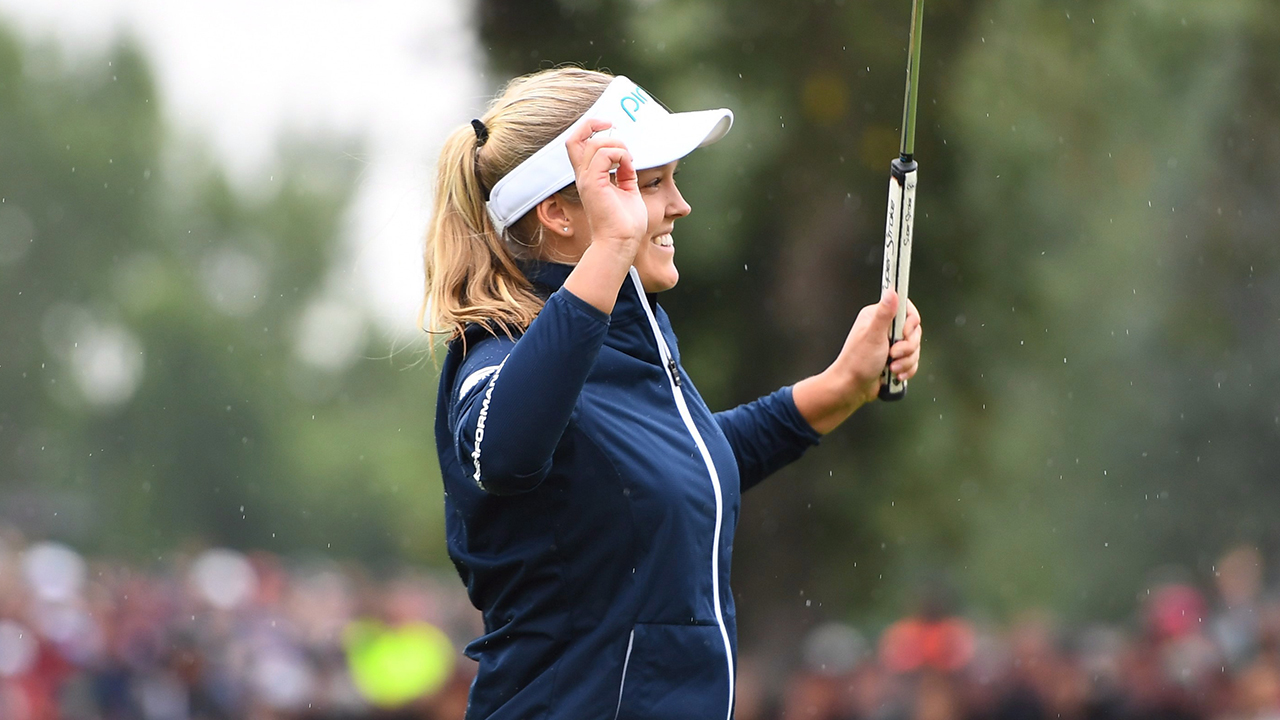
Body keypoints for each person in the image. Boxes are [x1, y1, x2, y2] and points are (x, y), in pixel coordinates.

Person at [423, 67, 922, 720]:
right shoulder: (496, 353)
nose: (679, 204)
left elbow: (680, 466)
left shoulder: (632, 343)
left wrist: (837, 389)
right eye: (649, 182)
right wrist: (613, 249)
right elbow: (505, 452)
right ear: (557, 212)